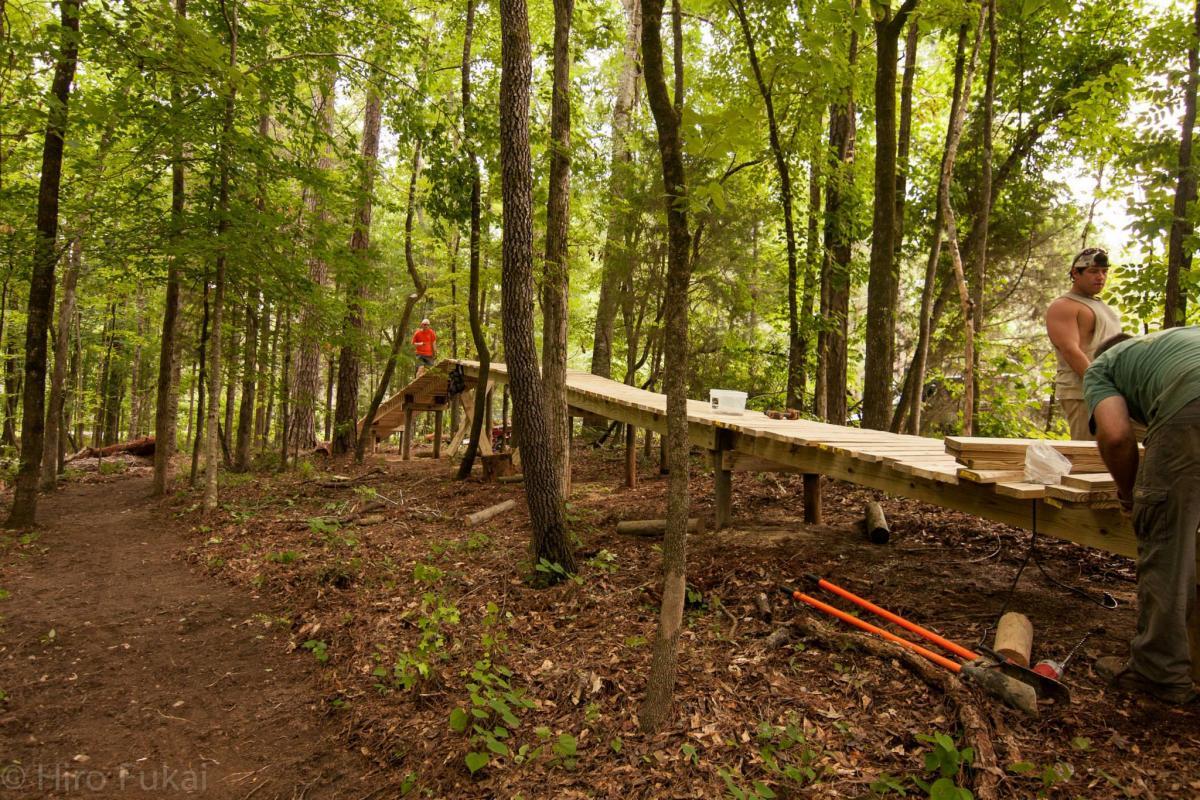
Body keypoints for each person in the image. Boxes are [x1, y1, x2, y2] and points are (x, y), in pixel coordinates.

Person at [1084, 326, 1200, 704]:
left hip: (1191, 403)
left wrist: (1132, 495)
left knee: (1166, 540)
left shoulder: (1103, 365)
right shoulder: (1178, 339)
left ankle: (1158, 673)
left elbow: (1115, 435)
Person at [1046, 247, 1123, 440]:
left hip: (1110, 390)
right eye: (1093, 271)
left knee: (1122, 451)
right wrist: (1101, 385)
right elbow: (1070, 350)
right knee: (1088, 456)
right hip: (1083, 392)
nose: (1101, 277)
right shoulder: (1063, 306)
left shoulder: (1099, 305)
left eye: (1104, 271)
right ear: (1075, 273)